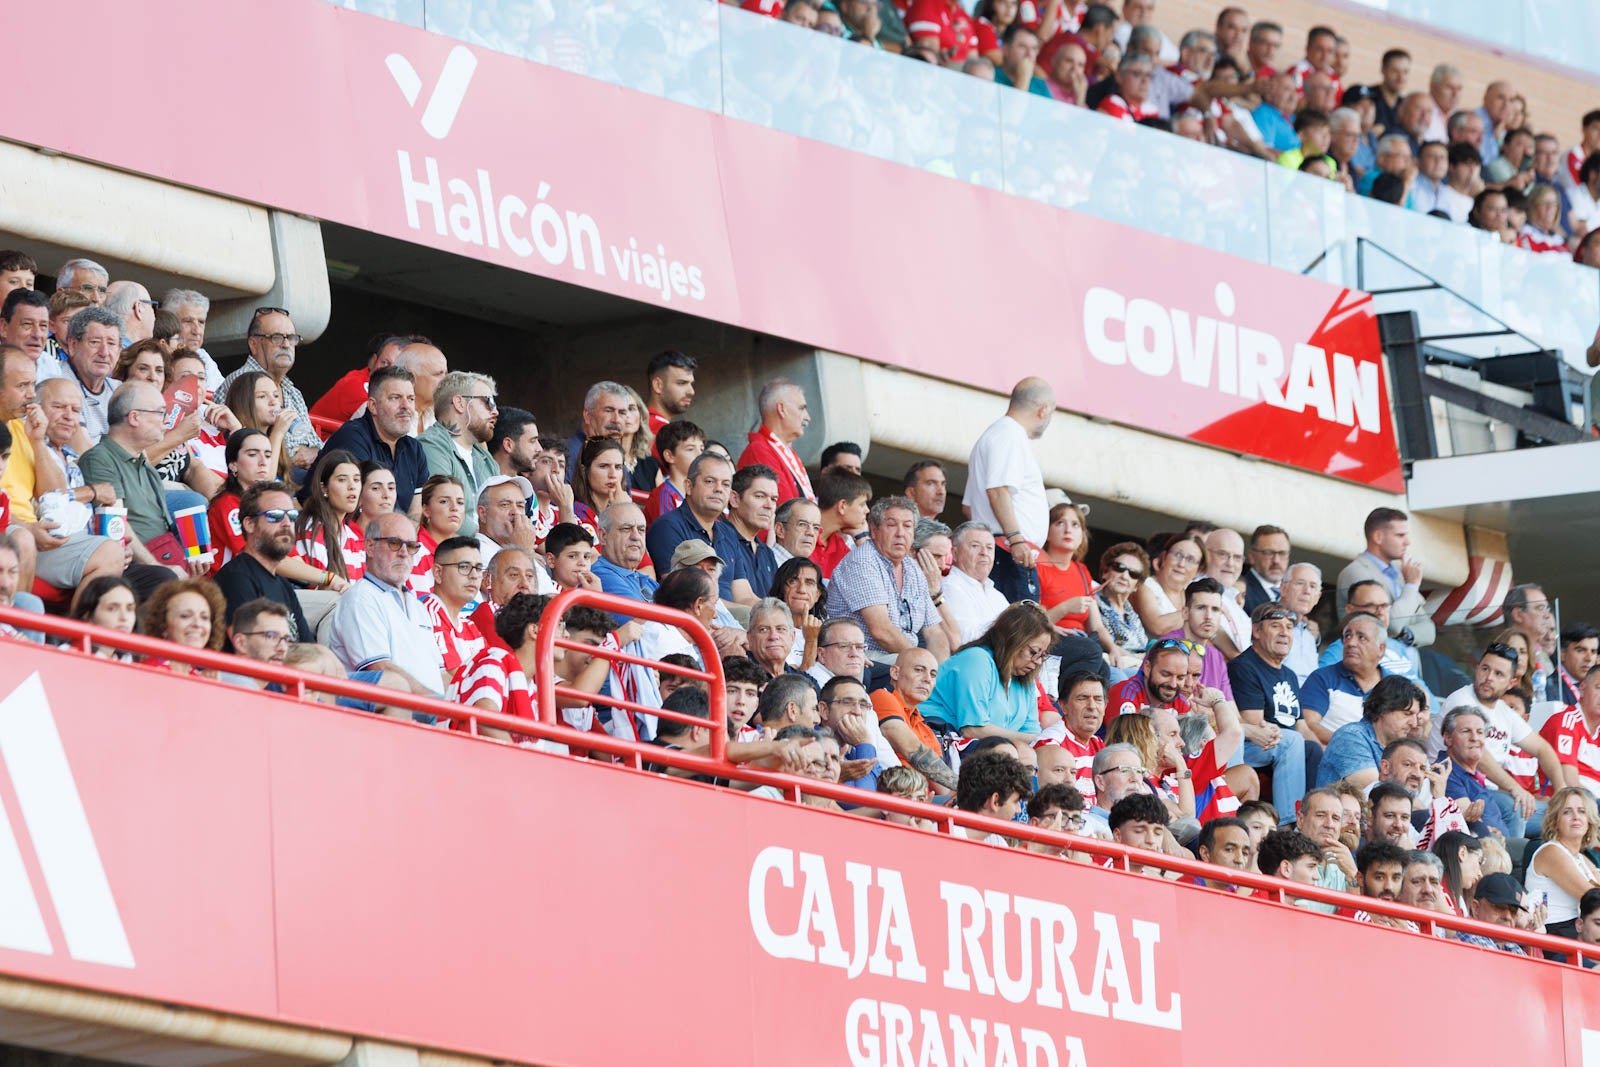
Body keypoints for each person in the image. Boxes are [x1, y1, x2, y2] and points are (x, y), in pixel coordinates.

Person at [1436, 640, 1563, 835]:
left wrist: (1562, 790)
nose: (1488, 678)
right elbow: (1479, 757)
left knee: (1566, 814)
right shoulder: (1461, 700)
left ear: (1511, 682)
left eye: (1498, 674)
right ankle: (1511, 864)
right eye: (1485, 669)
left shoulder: (1505, 712)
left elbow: (1542, 749)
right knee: (1516, 807)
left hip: (1490, 795)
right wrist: (1515, 788)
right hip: (1458, 789)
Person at [327, 514, 448, 697]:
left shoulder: (418, 607)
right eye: (394, 543)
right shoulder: (361, 598)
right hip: (389, 716)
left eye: (411, 546)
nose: (404, 553)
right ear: (369, 547)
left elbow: (440, 675)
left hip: (432, 714)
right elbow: (380, 670)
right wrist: (439, 705)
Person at [827, 496, 952, 660]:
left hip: (902, 657)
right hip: (861, 657)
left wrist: (939, 671)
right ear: (874, 530)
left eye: (907, 526)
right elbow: (881, 631)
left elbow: (934, 632)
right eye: (892, 525)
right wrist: (921, 662)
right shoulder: (863, 561)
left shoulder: (912, 567)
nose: (900, 533)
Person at [964, 377, 1053, 602]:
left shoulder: (999, 434)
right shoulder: (1009, 435)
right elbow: (998, 490)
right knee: (1020, 632)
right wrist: (1016, 539)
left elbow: (968, 507)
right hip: (1009, 551)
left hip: (1005, 549)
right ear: (1044, 410)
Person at [918, 602, 1057, 745]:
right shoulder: (977, 660)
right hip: (934, 739)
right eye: (1033, 652)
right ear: (1011, 641)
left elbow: (1031, 732)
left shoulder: (1025, 678)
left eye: (1043, 655)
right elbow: (973, 730)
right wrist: (1031, 740)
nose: (1038, 662)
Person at [1227, 602, 1315, 818]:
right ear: (1256, 631)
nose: (1285, 633)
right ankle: (1289, 822)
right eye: (1276, 626)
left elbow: (1302, 725)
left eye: (1289, 627)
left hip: (1278, 743)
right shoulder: (1245, 666)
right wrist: (1291, 736)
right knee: (1293, 741)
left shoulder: (1290, 675)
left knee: (1313, 748)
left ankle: (1313, 816)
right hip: (1251, 745)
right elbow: (1254, 723)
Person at [310, 366, 428, 518]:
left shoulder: (414, 448)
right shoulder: (352, 438)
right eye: (395, 398)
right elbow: (361, 512)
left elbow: (415, 514)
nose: (406, 406)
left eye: (410, 399)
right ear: (373, 406)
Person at [215, 309, 321, 470]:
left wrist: (313, 454)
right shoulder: (240, 383)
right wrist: (288, 459)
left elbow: (316, 444)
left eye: (291, 338)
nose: (286, 344)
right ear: (254, 344)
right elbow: (244, 452)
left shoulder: (293, 391)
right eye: (277, 337)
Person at [213, 481, 313, 643]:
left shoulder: (284, 586)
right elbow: (253, 651)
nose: (287, 523)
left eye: (292, 516)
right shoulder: (236, 579)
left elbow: (309, 646)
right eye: (275, 515)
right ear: (249, 524)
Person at [645, 452, 745, 596]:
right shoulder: (668, 527)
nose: (718, 489)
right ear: (689, 486)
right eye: (710, 481)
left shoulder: (729, 532)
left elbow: (743, 595)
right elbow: (684, 595)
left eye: (726, 484)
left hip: (731, 616)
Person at [417, 371, 498, 538]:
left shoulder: (486, 459)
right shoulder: (431, 445)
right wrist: (490, 539)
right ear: (460, 403)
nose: (495, 411)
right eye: (488, 402)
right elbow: (442, 511)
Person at [1318, 675, 1429, 790]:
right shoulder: (1350, 737)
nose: (1414, 723)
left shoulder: (1401, 746)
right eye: (1407, 714)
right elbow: (1377, 794)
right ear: (1383, 708)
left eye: (1415, 716)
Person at [870, 647, 956, 793]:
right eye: (919, 670)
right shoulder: (882, 697)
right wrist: (964, 788)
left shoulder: (926, 729)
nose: (927, 679)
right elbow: (910, 747)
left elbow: (943, 789)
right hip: (897, 800)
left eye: (933, 674)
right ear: (895, 673)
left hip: (927, 802)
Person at [1526, 787, 1600, 945]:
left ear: (1589, 820)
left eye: (1581, 811)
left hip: (1575, 930)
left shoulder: (1580, 858)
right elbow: (1591, 897)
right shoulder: (1551, 851)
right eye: (1567, 812)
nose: (1575, 817)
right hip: (1553, 933)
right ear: (1555, 821)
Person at [1300, 612, 1388, 744]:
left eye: (1361, 637)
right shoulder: (1323, 678)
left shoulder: (1393, 686)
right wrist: (1349, 745)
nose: (1351, 643)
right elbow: (1307, 724)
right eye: (1347, 636)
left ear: (1380, 649)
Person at [293, 450, 364, 589]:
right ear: (324, 488)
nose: (352, 486)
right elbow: (310, 587)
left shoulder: (354, 537)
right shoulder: (310, 527)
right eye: (342, 479)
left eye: (356, 479)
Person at [737, 378, 813, 504]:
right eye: (801, 408)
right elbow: (785, 511)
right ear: (781, 410)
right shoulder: (759, 451)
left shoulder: (784, 450)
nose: (807, 417)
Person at [422, 535, 486, 680]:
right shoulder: (428, 614)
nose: (474, 575)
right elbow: (454, 677)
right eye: (464, 567)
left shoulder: (470, 626)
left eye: (478, 568)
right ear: (438, 573)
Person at [309, 333, 404, 425]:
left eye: (397, 368)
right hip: (315, 439)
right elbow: (386, 422)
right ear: (373, 361)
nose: (389, 371)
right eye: (385, 363)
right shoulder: (356, 384)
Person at [941, 522, 1009, 646]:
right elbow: (965, 639)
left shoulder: (997, 596)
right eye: (975, 546)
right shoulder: (950, 587)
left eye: (989, 547)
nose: (984, 552)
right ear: (954, 553)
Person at [1542, 665, 1600, 798]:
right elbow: (1570, 785)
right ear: (1583, 688)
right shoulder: (1566, 722)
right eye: (1599, 687)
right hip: (1565, 807)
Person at [725, 464, 779, 605]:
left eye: (774, 499)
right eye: (760, 496)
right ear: (735, 499)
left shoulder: (767, 553)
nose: (769, 506)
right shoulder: (719, 539)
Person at [952, 752, 1033, 845]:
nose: (1018, 810)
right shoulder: (943, 837)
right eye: (1015, 802)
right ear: (995, 801)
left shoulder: (997, 842)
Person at [1132, 533, 1203, 637]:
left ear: (1199, 570)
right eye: (1178, 555)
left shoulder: (1193, 593)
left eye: (1190, 560)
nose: (1181, 564)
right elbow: (1157, 627)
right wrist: (1198, 610)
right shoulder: (1145, 586)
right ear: (1164, 557)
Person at [409, 474, 465, 595]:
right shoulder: (414, 554)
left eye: (460, 502)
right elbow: (421, 607)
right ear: (426, 510)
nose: (455, 508)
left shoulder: (467, 554)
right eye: (444, 501)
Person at [810, 469, 871, 579]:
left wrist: (861, 538)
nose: (867, 510)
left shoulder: (839, 546)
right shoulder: (802, 534)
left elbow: (870, 580)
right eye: (862, 504)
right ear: (842, 506)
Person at [642, 419, 705, 525]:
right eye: (690, 449)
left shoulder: (699, 494)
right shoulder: (664, 496)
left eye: (702, 449)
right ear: (670, 456)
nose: (700, 455)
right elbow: (668, 535)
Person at [1454, 873, 1531, 955]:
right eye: (1500, 907)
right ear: (1476, 908)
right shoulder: (1469, 939)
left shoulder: (1510, 947)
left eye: (1513, 911)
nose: (1508, 917)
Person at [770, 556, 825, 669]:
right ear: (781, 589)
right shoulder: (773, 632)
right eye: (792, 581)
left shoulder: (827, 631)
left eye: (809, 583)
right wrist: (811, 640)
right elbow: (797, 683)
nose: (801, 589)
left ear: (817, 595)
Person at [67, 575, 137, 660]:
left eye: (129, 609)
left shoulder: (128, 658)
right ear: (88, 615)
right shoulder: (67, 654)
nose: (124, 617)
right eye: (112, 609)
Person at [1107, 793, 1174, 877]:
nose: (1151, 840)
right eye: (1139, 831)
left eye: (1158, 833)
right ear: (1117, 835)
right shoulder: (1095, 868)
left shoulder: (1157, 883)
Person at [1193, 816, 1254, 891]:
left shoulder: (1235, 894)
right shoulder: (1183, 889)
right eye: (1229, 850)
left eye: (1245, 853)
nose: (1239, 860)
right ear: (1205, 853)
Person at [644, 350, 696, 436]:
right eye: (681, 383)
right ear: (658, 385)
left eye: (691, 384)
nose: (691, 392)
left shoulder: (643, 422)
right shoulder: (659, 431)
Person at [807, 617, 867, 688]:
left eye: (859, 647)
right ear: (822, 654)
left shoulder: (848, 684)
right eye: (844, 646)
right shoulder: (814, 685)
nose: (854, 654)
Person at [769, 496, 820, 566]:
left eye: (816, 528)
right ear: (780, 530)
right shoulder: (767, 563)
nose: (811, 533)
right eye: (802, 524)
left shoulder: (807, 568)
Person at [1558, 624, 1600, 705]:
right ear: (1563, 654)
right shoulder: (1549, 687)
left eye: (1593, 651)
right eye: (1581, 650)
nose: (1589, 658)